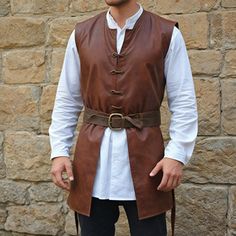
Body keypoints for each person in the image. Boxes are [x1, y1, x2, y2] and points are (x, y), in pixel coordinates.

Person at [49, 0, 198, 235]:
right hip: (91, 163)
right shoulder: (81, 33)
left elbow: (183, 101)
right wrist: (59, 151)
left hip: (147, 162)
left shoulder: (166, 33)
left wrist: (177, 155)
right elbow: (67, 99)